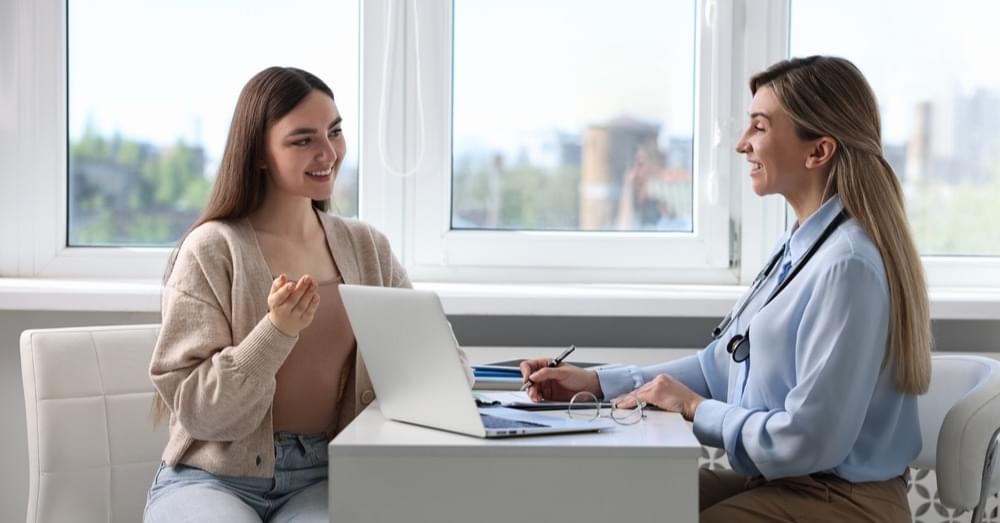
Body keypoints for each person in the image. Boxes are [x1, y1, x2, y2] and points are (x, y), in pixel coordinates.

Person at [520, 56, 931, 522]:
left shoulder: (847, 266)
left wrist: (695, 409)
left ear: (817, 152)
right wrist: (596, 383)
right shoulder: (801, 249)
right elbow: (719, 366)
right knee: (612, 500)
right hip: (791, 486)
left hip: (843, 503)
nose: (742, 145)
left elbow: (808, 441)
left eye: (759, 127)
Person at [144, 66, 470, 522]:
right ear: (259, 154)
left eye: (334, 132)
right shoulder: (212, 250)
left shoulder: (366, 248)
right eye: (302, 140)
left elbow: (447, 373)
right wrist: (274, 333)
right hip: (212, 476)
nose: (328, 152)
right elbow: (199, 414)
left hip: (328, 475)